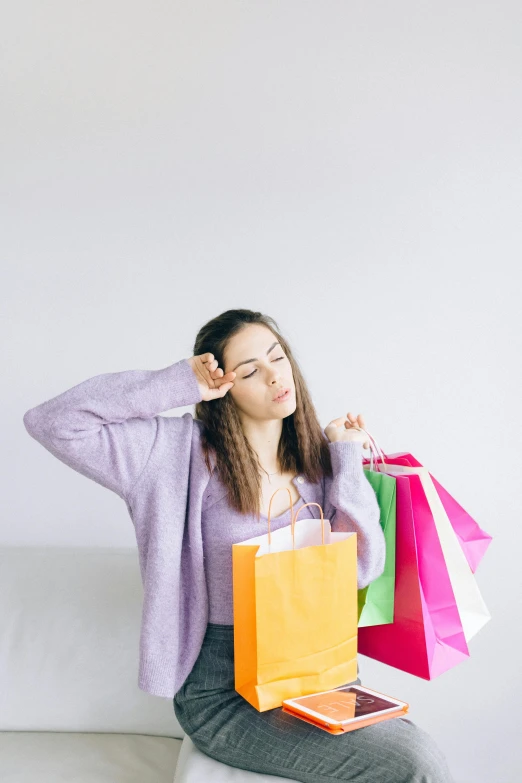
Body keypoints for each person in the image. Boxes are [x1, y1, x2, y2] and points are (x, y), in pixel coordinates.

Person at [24, 308, 455, 782]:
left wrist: (347, 458)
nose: (274, 376)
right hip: (226, 694)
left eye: (278, 357)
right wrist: (177, 384)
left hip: (314, 675)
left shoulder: (319, 465)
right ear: (223, 386)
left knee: (413, 752)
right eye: (250, 370)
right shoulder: (174, 456)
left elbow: (362, 568)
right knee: (415, 762)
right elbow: (53, 422)